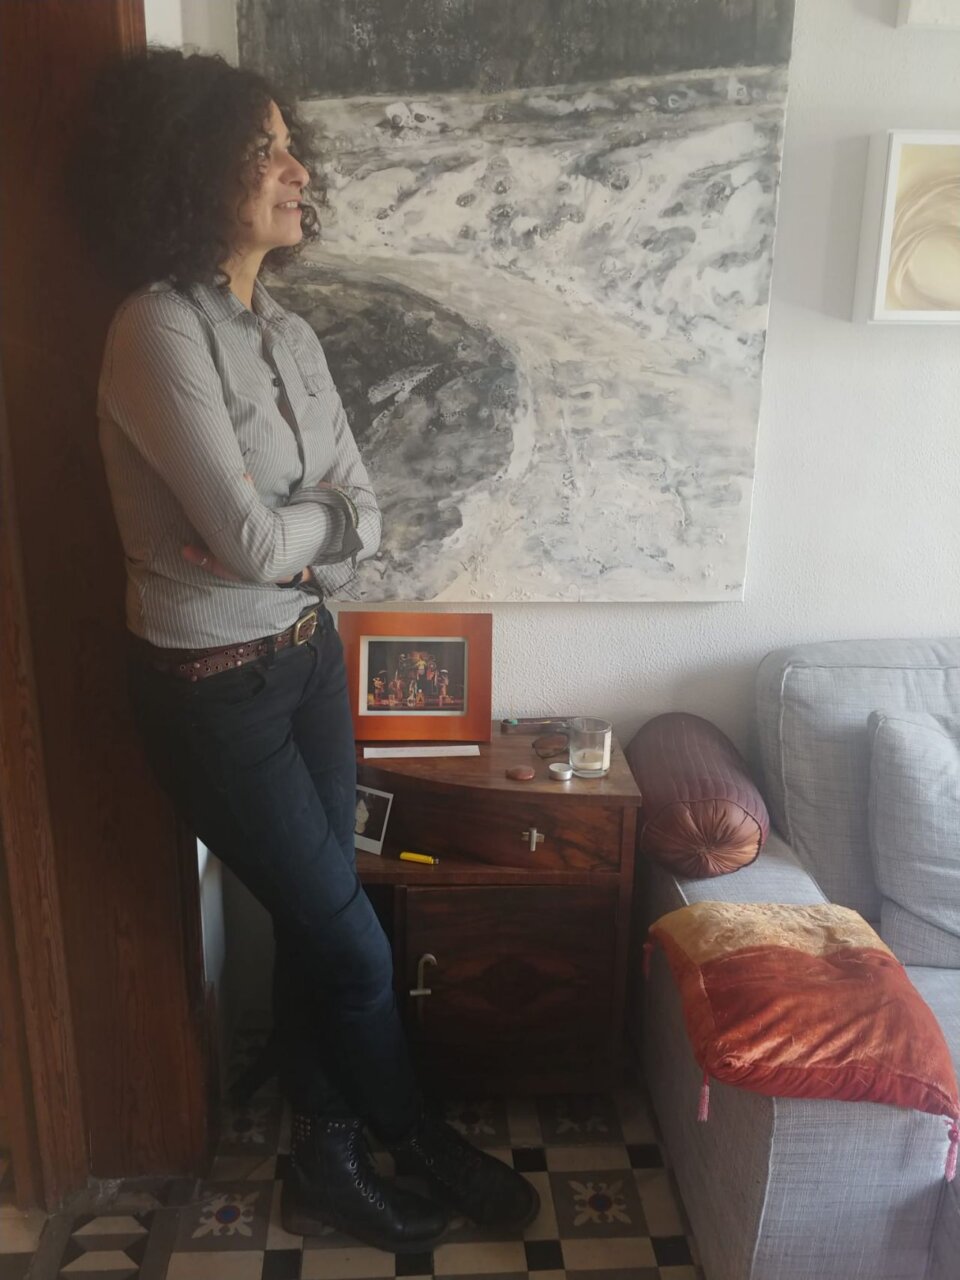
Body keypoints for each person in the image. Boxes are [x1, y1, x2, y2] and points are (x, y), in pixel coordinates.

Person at [74, 47, 537, 1253]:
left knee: (314, 915)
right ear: (192, 168)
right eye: (265, 150)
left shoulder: (287, 331)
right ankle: (407, 1127)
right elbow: (248, 538)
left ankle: (331, 1153)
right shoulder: (152, 328)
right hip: (211, 691)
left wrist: (294, 532)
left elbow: (356, 515)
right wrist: (294, 530)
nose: (297, 171)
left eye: (291, 147)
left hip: (307, 654)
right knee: (351, 936)